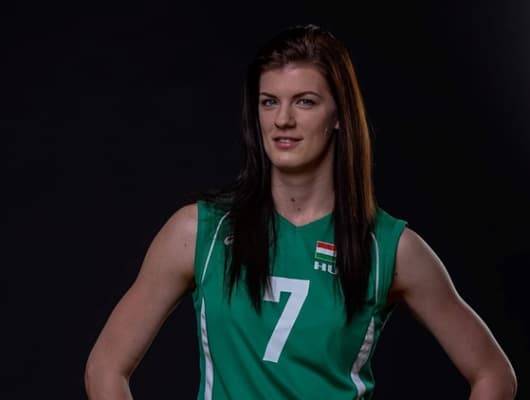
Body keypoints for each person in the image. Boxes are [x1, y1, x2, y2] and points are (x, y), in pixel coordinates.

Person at [84, 24, 517, 399]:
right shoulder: (201, 231)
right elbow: (105, 368)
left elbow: (493, 374)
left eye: (305, 101)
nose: (283, 120)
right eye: (269, 101)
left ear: (339, 114)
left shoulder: (389, 249)